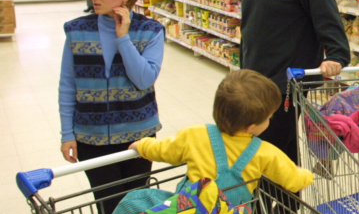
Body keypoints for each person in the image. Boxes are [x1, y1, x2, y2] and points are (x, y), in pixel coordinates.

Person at [58, 0, 164, 214]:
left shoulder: (150, 30)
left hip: (138, 137)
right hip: (91, 137)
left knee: (137, 207)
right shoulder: (76, 30)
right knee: (108, 209)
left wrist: (124, 37)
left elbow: (144, 79)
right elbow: (68, 85)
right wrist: (67, 134)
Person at [241, 0, 350, 165]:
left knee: (268, 154)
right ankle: (287, 204)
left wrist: (336, 54)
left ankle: (269, 206)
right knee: (280, 154)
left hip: (285, 84)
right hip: (254, 80)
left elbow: (326, 15)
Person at [129, 69, 314, 197]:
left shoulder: (194, 135)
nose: (270, 121)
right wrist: (306, 175)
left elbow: (163, 150)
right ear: (251, 126)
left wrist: (142, 145)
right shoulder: (265, 152)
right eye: (269, 117)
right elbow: (293, 180)